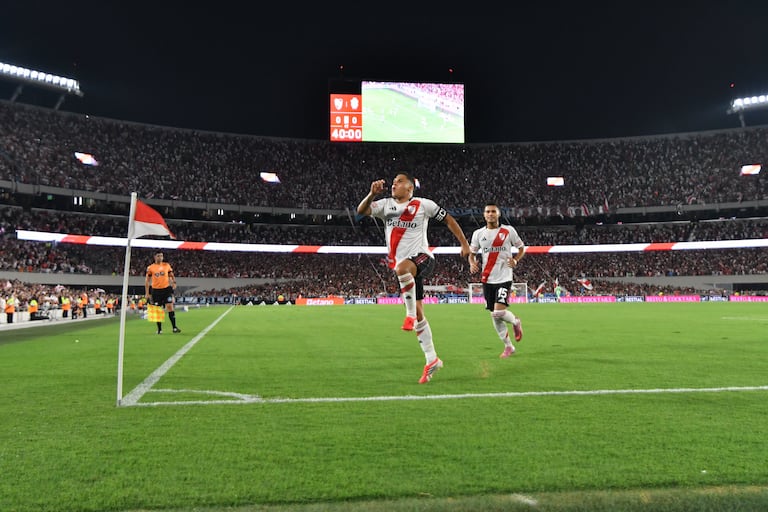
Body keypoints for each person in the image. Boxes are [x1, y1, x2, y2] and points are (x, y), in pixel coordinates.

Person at [357, 172, 470, 384]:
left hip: (423, 258)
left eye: (398, 182)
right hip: (406, 268)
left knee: (401, 270)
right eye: (393, 182)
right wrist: (371, 195)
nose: (393, 185)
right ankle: (432, 359)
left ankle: (407, 316)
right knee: (420, 315)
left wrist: (464, 244)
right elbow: (361, 211)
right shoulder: (385, 205)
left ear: (409, 188)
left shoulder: (423, 205)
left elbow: (449, 220)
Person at [468, 202, 526, 358]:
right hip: (487, 278)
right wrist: (472, 263)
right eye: (487, 211)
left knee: (498, 312)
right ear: (484, 215)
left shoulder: (508, 231)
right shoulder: (478, 234)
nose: (490, 214)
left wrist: (516, 260)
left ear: (499, 214)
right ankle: (509, 347)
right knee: (494, 314)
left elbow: (521, 248)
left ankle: (515, 322)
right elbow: (471, 253)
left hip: (504, 277)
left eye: (493, 211)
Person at [145, 251, 181, 334]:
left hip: (166, 289)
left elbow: (171, 275)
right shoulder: (151, 268)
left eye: (161, 256)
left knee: (170, 307)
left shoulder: (166, 265)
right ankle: (159, 329)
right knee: (158, 310)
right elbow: (147, 281)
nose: (160, 257)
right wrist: (147, 293)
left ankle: (174, 327)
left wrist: (174, 282)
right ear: (155, 257)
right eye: (158, 256)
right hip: (156, 291)